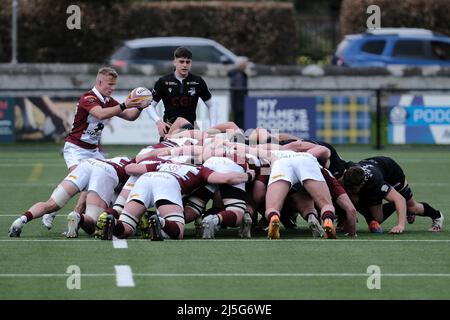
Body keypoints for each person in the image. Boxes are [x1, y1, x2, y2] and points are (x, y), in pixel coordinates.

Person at [41, 67, 145, 230]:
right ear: (99, 82)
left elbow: (130, 116)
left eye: (114, 85)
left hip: (93, 151)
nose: (112, 88)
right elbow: (101, 114)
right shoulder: (88, 97)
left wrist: (141, 105)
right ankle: (51, 209)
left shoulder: (107, 100)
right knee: (82, 183)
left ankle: (76, 217)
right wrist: (125, 104)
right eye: (109, 84)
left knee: (94, 182)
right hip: (75, 148)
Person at [8, 156, 133, 238]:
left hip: (89, 163)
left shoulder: (119, 159)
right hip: (107, 172)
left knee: (51, 204)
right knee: (95, 225)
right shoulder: (135, 171)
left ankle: (21, 220)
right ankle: (78, 217)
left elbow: (87, 191)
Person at [342, 156, 444, 234]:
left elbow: (399, 199)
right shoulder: (348, 173)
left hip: (391, 171)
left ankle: (437, 216)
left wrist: (400, 226)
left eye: (353, 188)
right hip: (375, 165)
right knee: (377, 219)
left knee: (412, 207)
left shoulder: (376, 183)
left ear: (362, 184)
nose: (349, 190)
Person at [146, 47, 218, 138]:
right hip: (170, 131)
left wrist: (212, 128)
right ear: (175, 62)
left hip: (190, 130)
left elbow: (211, 105)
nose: (185, 65)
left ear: (191, 63)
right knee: (166, 152)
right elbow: (149, 105)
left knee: (190, 152)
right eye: (181, 61)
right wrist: (158, 122)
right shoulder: (163, 81)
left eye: (188, 62)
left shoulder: (198, 81)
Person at [228, 57, 248, 128]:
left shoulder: (236, 74)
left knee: (237, 122)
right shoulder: (238, 75)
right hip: (240, 104)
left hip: (236, 104)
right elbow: (239, 89)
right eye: (245, 64)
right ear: (241, 65)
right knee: (239, 123)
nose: (246, 65)